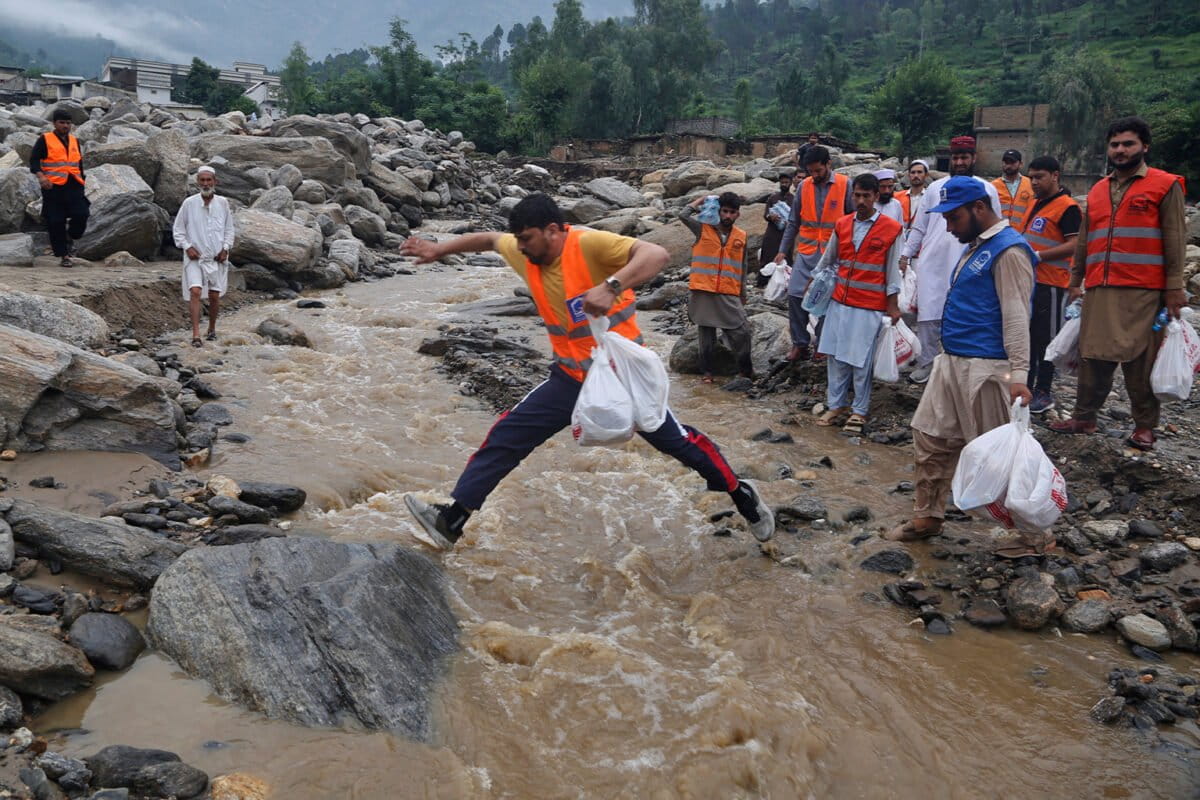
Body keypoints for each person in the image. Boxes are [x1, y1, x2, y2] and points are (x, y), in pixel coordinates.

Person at [398, 193, 775, 548]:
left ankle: (740, 494)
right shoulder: (525, 251)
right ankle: (453, 518)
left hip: (622, 374)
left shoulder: (588, 245)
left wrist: (612, 285)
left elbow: (656, 253)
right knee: (508, 436)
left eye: (528, 239)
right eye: (520, 240)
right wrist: (438, 249)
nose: (522, 247)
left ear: (553, 230)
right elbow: (490, 240)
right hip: (569, 377)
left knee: (680, 445)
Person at [885, 176, 1043, 557]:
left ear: (979, 209)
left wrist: (1019, 376)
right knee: (930, 436)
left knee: (1000, 452)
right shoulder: (976, 247)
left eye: (954, 218)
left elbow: (1017, 317)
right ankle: (929, 515)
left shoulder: (1009, 251)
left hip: (989, 367)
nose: (949, 226)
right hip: (952, 361)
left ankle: (1034, 534)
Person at [1050, 116, 1187, 451]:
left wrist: (1173, 290)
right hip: (1099, 286)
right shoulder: (1098, 190)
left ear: (1145, 146)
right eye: (1115, 145)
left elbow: (1175, 240)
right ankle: (1085, 417)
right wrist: (1075, 279)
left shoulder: (1164, 185)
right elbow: (1084, 240)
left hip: (1144, 290)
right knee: (1092, 355)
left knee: (1140, 359)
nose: (1121, 150)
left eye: (1128, 144)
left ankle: (1144, 426)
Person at [901, 136, 1002, 383]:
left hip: (969, 261)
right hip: (932, 262)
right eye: (955, 157)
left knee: (963, 313)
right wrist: (904, 254)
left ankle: (956, 365)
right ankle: (927, 362)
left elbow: (995, 226)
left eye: (964, 157)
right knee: (928, 313)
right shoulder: (934, 189)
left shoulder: (986, 189)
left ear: (973, 158)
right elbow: (919, 228)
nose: (959, 162)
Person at [812, 173, 903, 434]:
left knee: (860, 359)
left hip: (869, 305)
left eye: (866, 196)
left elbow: (892, 272)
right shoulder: (842, 224)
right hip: (840, 300)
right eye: (857, 195)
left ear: (876, 197)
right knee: (835, 354)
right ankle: (836, 404)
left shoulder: (891, 229)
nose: (861, 200)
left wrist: (893, 304)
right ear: (852, 196)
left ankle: (860, 410)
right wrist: (814, 285)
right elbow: (828, 260)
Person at [1014, 155, 1081, 414]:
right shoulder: (1036, 203)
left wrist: (1039, 256)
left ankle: (1044, 390)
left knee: (1046, 339)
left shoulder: (1067, 208)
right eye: (1031, 177)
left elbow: (1075, 244)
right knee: (1028, 338)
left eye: (1039, 177)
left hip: (1052, 283)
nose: (1034, 182)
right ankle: (1027, 385)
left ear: (1055, 176)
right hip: (1031, 282)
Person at [774, 146, 854, 361]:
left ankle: (822, 343)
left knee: (827, 299)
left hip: (833, 255)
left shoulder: (845, 185)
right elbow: (793, 222)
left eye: (818, 171)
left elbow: (853, 221)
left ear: (829, 164)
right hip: (807, 251)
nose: (814, 175)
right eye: (811, 172)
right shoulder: (803, 187)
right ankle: (800, 343)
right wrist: (783, 250)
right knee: (794, 295)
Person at [680, 191, 752, 382]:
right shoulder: (702, 228)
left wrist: (742, 292)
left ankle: (745, 370)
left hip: (728, 291)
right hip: (703, 289)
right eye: (725, 211)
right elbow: (682, 215)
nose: (728, 216)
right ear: (719, 211)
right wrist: (701, 200)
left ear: (738, 214)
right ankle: (707, 373)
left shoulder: (741, 236)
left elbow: (743, 267)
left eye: (732, 212)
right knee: (706, 336)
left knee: (742, 331)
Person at [172, 166, 235, 347]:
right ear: (197, 182)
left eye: (209, 180)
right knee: (196, 291)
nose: (206, 184)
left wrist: (225, 249)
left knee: (214, 296)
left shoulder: (223, 203)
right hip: (195, 258)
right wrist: (187, 247)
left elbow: (229, 229)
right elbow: (178, 230)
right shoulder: (189, 203)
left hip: (216, 258)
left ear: (215, 182)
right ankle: (196, 335)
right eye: (202, 180)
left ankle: (212, 329)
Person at [29, 109, 89, 268]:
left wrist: (82, 180)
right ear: (54, 123)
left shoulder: (75, 141)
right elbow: (34, 160)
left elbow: (79, 163)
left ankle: (71, 236)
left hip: (74, 184)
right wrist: (42, 177)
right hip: (53, 186)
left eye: (68, 123)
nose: (65, 126)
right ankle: (64, 255)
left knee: (81, 214)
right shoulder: (45, 139)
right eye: (62, 123)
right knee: (56, 221)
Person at [757, 171, 796, 285]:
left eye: (786, 182)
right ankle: (763, 282)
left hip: (786, 234)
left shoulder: (793, 199)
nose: (784, 184)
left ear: (790, 183)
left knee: (786, 257)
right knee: (767, 255)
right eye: (782, 182)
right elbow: (765, 214)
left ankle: (784, 283)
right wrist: (771, 216)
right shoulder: (773, 198)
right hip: (772, 233)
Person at [992, 149, 1034, 227]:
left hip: (1021, 232)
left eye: (1012, 162)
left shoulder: (1030, 184)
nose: (1008, 166)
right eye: (1006, 162)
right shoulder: (993, 185)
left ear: (1020, 164)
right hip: (999, 231)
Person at [895, 160, 928, 236]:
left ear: (926, 175)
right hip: (899, 236)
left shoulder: (930, 197)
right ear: (909, 175)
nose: (916, 175)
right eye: (913, 172)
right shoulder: (896, 196)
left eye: (919, 172)